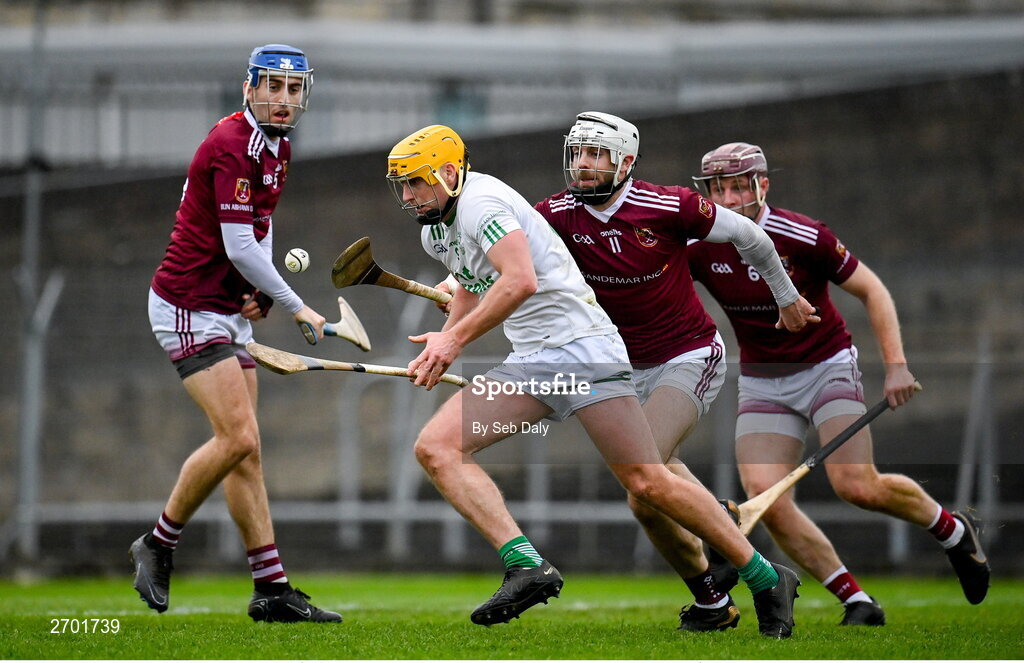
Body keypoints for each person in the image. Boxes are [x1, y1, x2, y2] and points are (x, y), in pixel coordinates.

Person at [387, 123, 804, 639]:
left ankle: (765, 578)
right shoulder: (436, 229)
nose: (407, 195)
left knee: (646, 481)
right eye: (401, 185)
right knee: (437, 446)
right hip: (536, 363)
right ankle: (525, 565)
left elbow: (520, 280)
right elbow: (474, 288)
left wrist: (454, 342)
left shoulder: (482, 205)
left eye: (415, 182)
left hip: (584, 352)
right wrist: (444, 343)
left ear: (449, 173)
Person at [528, 112, 818, 632]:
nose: (584, 165)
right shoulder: (553, 213)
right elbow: (506, 266)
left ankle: (764, 577)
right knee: (646, 499)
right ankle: (712, 601)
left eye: (597, 154)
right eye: (578, 153)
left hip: (687, 355)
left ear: (626, 162)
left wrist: (787, 296)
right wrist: (461, 303)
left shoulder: (669, 205)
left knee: (643, 473)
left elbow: (750, 235)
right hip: (620, 369)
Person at [686, 141, 990, 624]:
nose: (727, 199)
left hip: (826, 364)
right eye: (717, 189)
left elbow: (872, 289)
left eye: (738, 187)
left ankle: (953, 531)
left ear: (763, 186)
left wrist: (896, 365)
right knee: (768, 497)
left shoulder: (804, 235)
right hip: (763, 378)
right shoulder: (700, 244)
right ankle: (856, 600)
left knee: (856, 485)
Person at [131, 44, 340, 623]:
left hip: (225, 308)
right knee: (238, 439)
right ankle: (158, 542)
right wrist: (298, 306)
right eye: (271, 86)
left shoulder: (278, 148)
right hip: (186, 307)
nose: (282, 99)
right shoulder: (231, 143)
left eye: (293, 90)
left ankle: (271, 589)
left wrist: (262, 296)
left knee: (247, 453)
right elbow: (238, 244)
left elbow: (259, 229)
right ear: (249, 88)